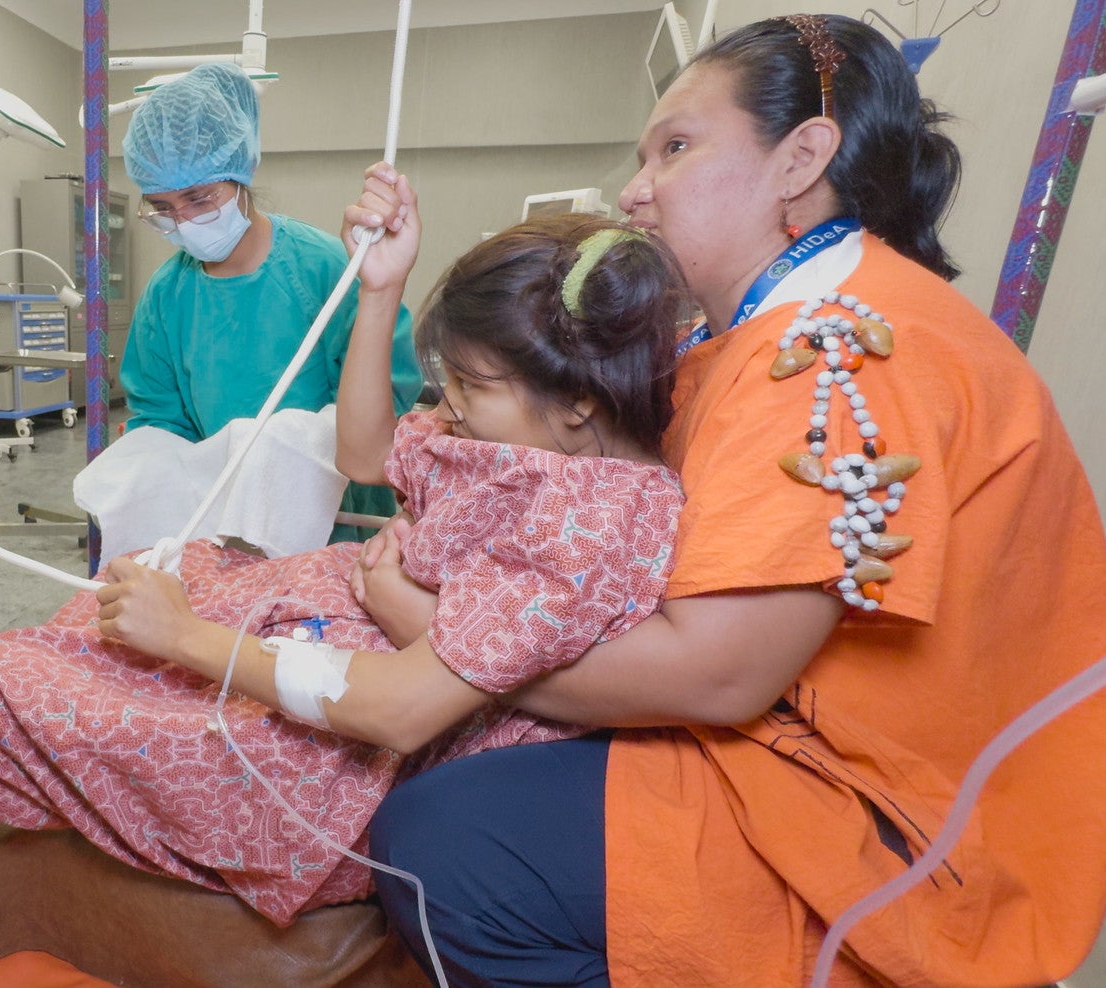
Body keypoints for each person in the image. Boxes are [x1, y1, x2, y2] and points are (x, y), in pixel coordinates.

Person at [0, 203, 688, 987]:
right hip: (346, 630)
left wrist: (189, 640)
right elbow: (365, 452)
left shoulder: (584, 521)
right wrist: (379, 293)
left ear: (578, 399)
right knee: (138, 577)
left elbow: (401, 711)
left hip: (350, 761)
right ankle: (1, 727)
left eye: (469, 387)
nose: (447, 412)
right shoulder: (530, 447)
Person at [359, 15, 1106, 988]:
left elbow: (715, 676)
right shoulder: (750, 340)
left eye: (674, 147)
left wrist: (441, 631)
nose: (635, 189)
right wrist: (383, 293)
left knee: (438, 839)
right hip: (801, 737)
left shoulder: (840, 355)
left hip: (886, 807)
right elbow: (391, 452)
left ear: (800, 158)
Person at [117, 61, 425, 543]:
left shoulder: (325, 268)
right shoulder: (166, 295)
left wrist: (288, 464)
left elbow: (391, 398)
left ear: (240, 172)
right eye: (162, 209)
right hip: (217, 522)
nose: (183, 221)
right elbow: (160, 417)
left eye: (199, 199)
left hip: (336, 522)